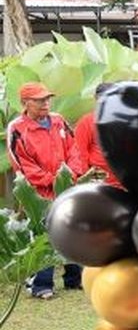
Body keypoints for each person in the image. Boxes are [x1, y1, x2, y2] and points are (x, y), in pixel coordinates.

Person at [6, 82, 85, 299]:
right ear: (25, 103)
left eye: (47, 98)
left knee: (70, 231)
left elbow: (74, 149)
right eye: (40, 100)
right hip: (38, 193)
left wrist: (71, 175)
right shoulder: (17, 128)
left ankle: (74, 279)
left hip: (67, 187)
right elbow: (21, 164)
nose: (45, 103)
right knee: (44, 236)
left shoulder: (59, 121)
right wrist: (52, 180)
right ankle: (41, 285)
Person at [73, 83, 120, 186]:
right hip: (99, 183)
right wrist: (84, 179)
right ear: (96, 98)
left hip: (122, 181)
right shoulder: (86, 122)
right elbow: (80, 153)